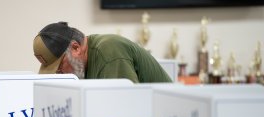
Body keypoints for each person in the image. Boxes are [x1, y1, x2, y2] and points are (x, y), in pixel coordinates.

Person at [33, 21, 172, 83]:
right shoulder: (82, 66)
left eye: (59, 69)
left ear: (75, 48)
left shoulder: (108, 52)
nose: (60, 75)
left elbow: (126, 110)